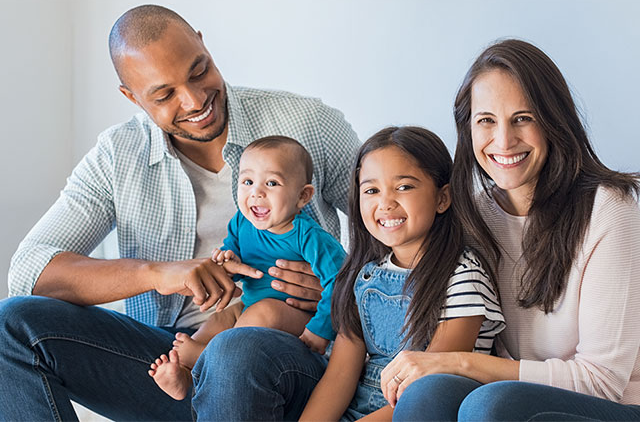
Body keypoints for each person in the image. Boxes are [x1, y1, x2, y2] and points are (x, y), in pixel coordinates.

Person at [0, 4, 359, 421]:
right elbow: (29, 271)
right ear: (131, 97)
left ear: (203, 45)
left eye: (198, 70)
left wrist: (341, 291)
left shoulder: (307, 124)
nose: (194, 99)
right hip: (173, 363)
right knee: (13, 326)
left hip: (286, 352)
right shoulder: (118, 155)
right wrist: (157, 274)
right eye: (164, 94)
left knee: (233, 349)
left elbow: (395, 233)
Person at [388, 39, 640, 421]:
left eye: (523, 118)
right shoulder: (473, 211)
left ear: (553, 121)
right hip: (505, 399)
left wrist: (462, 364)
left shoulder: (609, 209)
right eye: (486, 120)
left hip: (613, 407)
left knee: (490, 403)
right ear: (467, 128)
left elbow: (602, 382)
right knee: (429, 392)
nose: (503, 141)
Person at [298, 126, 505, 421]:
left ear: (442, 198)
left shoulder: (462, 276)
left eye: (404, 187)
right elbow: (339, 377)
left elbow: (427, 388)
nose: (385, 202)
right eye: (371, 190)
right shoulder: (364, 277)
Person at [149, 135, 346, 401]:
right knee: (221, 318)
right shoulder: (242, 222)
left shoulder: (309, 237)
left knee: (263, 312)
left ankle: (205, 357)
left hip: (295, 317)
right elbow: (233, 252)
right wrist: (226, 260)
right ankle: (186, 374)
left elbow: (342, 282)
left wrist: (320, 330)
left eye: (272, 183)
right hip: (249, 310)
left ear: (303, 196)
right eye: (247, 182)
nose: (256, 192)